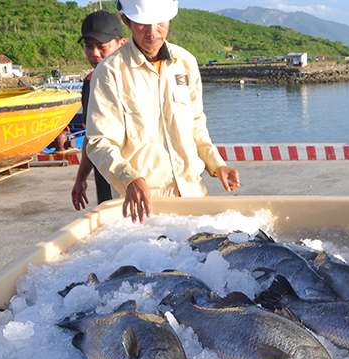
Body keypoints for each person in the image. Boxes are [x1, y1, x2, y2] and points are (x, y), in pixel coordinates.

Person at [85, 0, 240, 223]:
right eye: (143, 23)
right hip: (146, 207)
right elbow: (100, 141)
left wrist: (218, 165)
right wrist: (129, 178)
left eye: (160, 22)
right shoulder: (110, 72)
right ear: (126, 20)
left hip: (194, 195)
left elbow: (196, 124)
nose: (152, 32)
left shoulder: (185, 62)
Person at [71, 11, 126, 211]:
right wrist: (81, 178)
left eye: (102, 46)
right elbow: (91, 135)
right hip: (106, 176)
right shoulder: (90, 82)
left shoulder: (136, 79)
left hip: (140, 179)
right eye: (88, 46)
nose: (94, 53)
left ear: (122, 43)